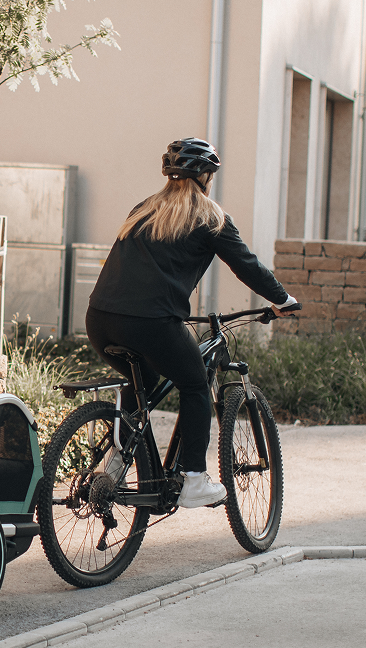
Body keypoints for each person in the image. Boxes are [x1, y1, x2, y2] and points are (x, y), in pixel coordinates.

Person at [87, 137, 297, 509]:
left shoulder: (143, 210)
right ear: (204, 175)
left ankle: (116, 463)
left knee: (142, 385)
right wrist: (281, 300)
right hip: (152, 323)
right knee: (196, 385)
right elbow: (247, 265)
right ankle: (194, 480)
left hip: (100, 320)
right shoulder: (210, 218)